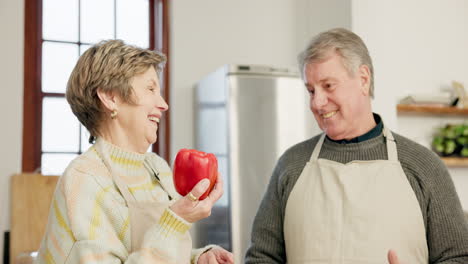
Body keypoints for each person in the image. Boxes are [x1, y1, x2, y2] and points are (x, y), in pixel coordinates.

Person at [245, 28, 468, 264]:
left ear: (363, 79)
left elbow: (457, 257)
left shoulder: (423, 165)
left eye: (328, 86)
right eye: (311, 90)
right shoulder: (291, 165)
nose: (317, 102)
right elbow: (262, 257)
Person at [35, 39, 234, 264]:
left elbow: (153, 249)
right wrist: (176, 220)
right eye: (150, 89)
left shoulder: (156, 167)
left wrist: (198, 258)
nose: (163, 104)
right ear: (110, 97)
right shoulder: (85, 180)